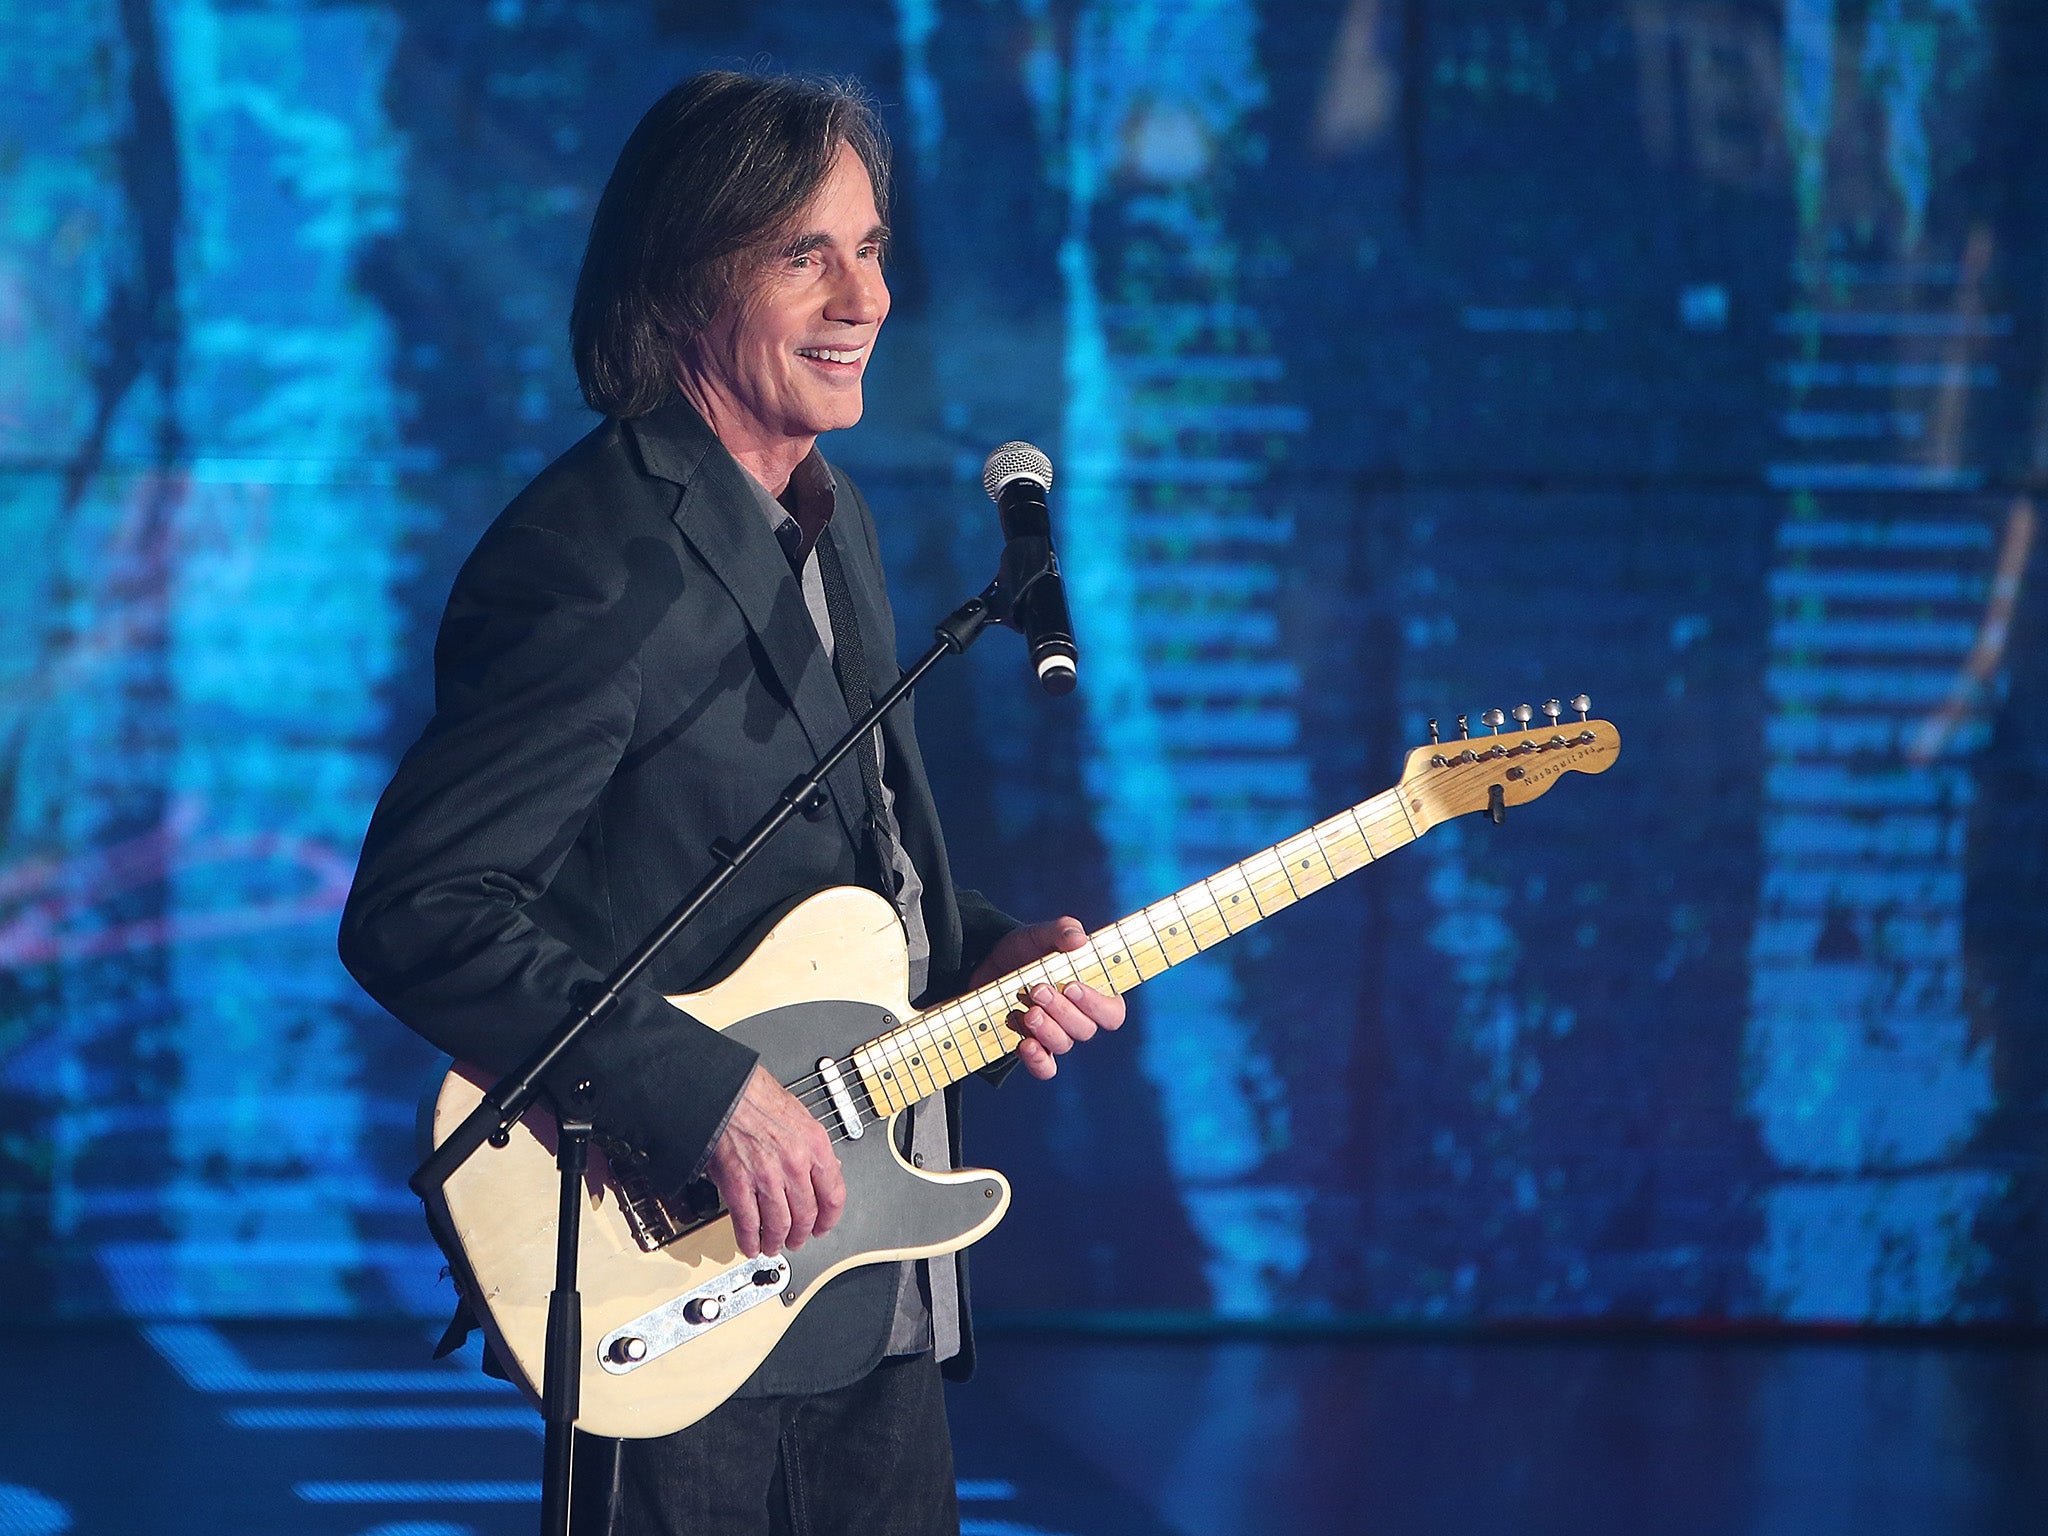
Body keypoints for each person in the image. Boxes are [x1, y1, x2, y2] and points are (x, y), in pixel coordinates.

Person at [337, 70, 1124, 1536]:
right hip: (678, 1286)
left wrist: (985, 960)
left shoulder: (840, 525)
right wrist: (699, 1099)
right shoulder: (592, 555)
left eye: (874, 244)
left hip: (870, 1282)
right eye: (801, 252)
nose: (864, 294)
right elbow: (422, 909)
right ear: (683, 278)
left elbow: (836, 868)